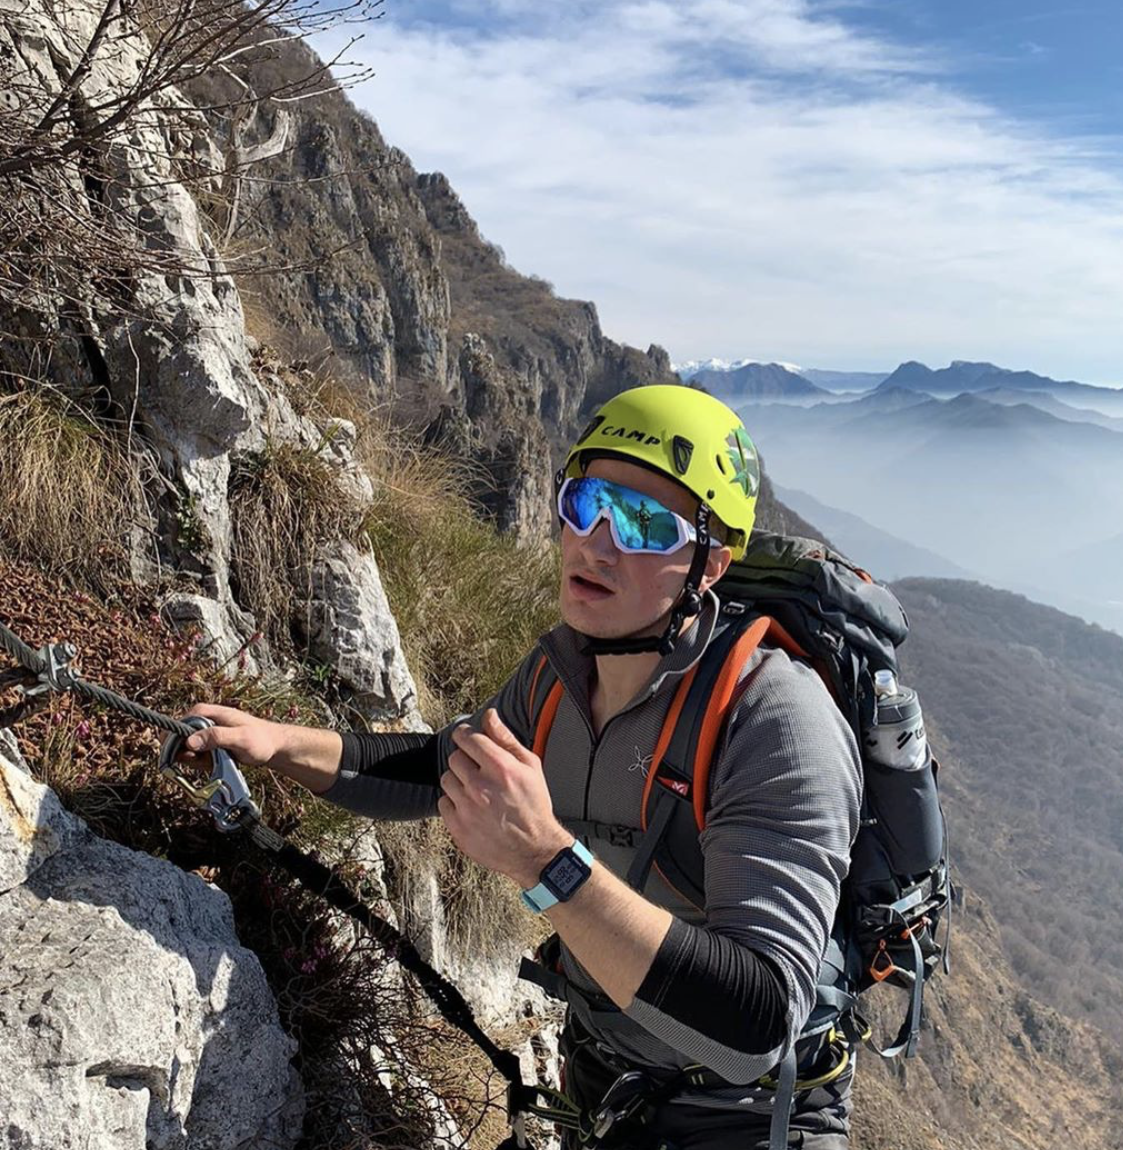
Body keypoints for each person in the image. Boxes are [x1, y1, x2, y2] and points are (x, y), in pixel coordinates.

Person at [177, 385, 862, 1149]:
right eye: (584, 502)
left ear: (710, 564)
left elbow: (754, 1024)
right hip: (606, 1084)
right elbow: (443, 765)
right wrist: (278, 744)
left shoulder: (771, 722)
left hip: (746, 1119)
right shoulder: (560, 674)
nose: (595, 543)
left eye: (641, 524)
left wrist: (544, 861)